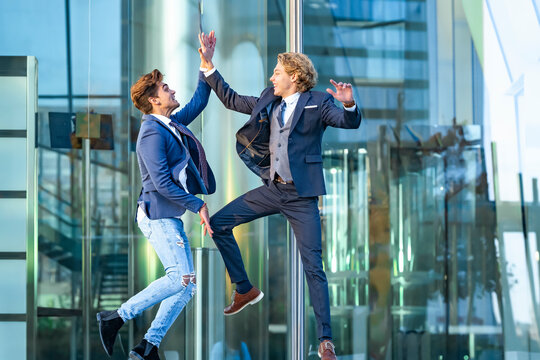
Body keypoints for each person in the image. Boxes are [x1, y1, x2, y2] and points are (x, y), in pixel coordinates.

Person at [198, 32, 361, 360]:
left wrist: (348, 103)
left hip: (302, 198)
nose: (271, 76)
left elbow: (348, 121)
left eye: (276, 72)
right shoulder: (266, 98)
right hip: (272, 189)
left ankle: (325, 341)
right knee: (218, 224)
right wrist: (207, 64)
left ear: (295, 77)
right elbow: (230, 99)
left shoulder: (319, 103)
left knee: (313, 266)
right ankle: (244, 289)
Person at [96, 33, 216, 360]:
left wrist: (206, 62)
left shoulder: (170, 123)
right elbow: (162, 183)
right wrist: (199, 205)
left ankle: (148, 345)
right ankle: (116, 317)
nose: (172, 90)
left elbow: (200, 101)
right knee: (179, 278)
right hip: (157, 215)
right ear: (153, 100)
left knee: (186, 285)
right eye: (165, 89)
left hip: (169, 217)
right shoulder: (150, 134)